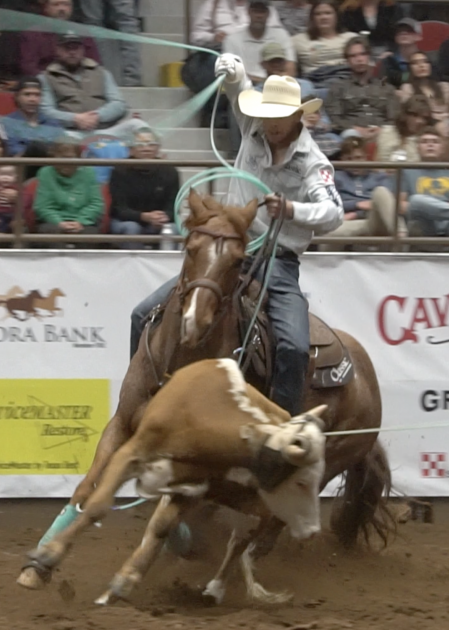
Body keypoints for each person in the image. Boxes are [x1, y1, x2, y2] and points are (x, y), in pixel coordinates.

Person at [129, 54, 344, 416]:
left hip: (278, 261)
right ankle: (139, 402)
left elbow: (333, 212)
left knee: (292, 345)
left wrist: (292, 210)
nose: (271, 124)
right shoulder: (252, 126)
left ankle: (283, 428)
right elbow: (237, 87)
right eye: (268, 115)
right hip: (228, 249)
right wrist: (233, 68)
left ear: (297, 117)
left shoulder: (313, 162)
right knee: (142, 315)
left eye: (279, 117)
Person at [38, 32, 147, 140]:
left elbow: (119, 104)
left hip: (105, 130)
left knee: (138, 125)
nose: (72, 52)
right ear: (58, 50)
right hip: (69, 132)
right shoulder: (46, 77)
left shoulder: (101, 72)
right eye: (67, 48)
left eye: (76, 47)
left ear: (83, 50)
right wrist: (75, 119)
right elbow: (46, 111)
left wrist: (97, 116)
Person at [108, 129, 181, 249]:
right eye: (140, 145)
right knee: (132, 228)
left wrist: (162, 217)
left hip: (157, 222)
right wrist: (143, 216)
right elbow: (119, 209)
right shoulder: (119, 170)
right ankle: (134, 266)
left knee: (172, 229)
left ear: (158, 149)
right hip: (125, 220)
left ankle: (166, 266)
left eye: (151, 145)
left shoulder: (170, 171)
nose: (146, 149)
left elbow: (173, 208)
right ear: (131, 150)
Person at [325, 135, 400, 248]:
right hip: (349, 221)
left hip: (375, 219)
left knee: (381, 192)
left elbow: (386, 204)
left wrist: (355, 213)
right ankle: (325, 265)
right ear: (342, 159)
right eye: (349, 159)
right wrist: (357, 204)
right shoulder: (335, 177)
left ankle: (401, 236)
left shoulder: (380, 177)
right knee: (330, 233)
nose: (355, 163)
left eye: (358, 158)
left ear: (366, 158)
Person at [325, 36, 398, 138]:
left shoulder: (386, 88)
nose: (359, 59)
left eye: (363, 54)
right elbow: (335, 119)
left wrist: (382, 129)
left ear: (369, 57)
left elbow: (395, 118)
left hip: (383, 133)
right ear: (347, 61)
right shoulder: (338, 88)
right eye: (353, 56)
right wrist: (355, 129)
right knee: (350, 135)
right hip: (352, 134)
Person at [33, 136, 104, 239]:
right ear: (53, 157)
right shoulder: (45, 172)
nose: (66, 162)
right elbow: (42, 206)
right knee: (51, 234)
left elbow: (96, 203)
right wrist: (59, 222)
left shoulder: (89, 172)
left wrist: (80, 221)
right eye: (62, 158)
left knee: (89, 236)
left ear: (79, 158)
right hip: (53, 223)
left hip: (84, 222)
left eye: (70, 157)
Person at [222, 0, 296, 84]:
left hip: (278, 87)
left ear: (268, 14)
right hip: (244, 88)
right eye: (255, 11)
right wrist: (263, 81)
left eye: (262, 11)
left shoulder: (282, 35)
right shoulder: (232, 40)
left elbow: (290, 71)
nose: (259, 16)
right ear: (248, 12)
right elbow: (231, 74)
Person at [290, 0, 356, 84]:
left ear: (336, 16)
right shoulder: (297, 40)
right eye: (318, 14)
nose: (323, 17)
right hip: (314, 83)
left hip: (345, 81)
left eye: (328, 13)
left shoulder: (351, 38)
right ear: (312, 18)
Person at [2, 76, 63, 156]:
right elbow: (10, 150)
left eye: (37, 95)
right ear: (16, 97)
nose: (32, 99)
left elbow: (60, 148)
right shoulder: (6, 123)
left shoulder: (53, 123)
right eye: (27, 94)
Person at [397, 51, 449, 120]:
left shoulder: (444, 87)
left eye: (425, 62)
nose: (421, 65)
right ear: (410, 68)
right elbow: (410, 113)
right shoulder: (408, 88)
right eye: (415, 63)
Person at [377, 17, 421, 88]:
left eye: (409, 30)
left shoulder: (428, 59)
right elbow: (383, 84)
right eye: (399, 31)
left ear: (419, 36)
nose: (403, 33)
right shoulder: (389, 61)